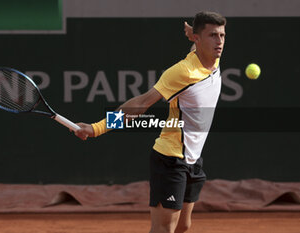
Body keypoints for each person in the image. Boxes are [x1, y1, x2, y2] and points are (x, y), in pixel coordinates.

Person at [75, 11, 226, 233]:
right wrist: (98, 128)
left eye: (222, 35)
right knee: (163, 229)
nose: (219, 42)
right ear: (198, 38)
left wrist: (192, 36)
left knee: (183, 226)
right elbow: (142, 103)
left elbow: (196, 49)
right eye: (213, 35)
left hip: (193, 160)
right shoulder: (181, 72)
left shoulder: (212, 56)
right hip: (170, 160)